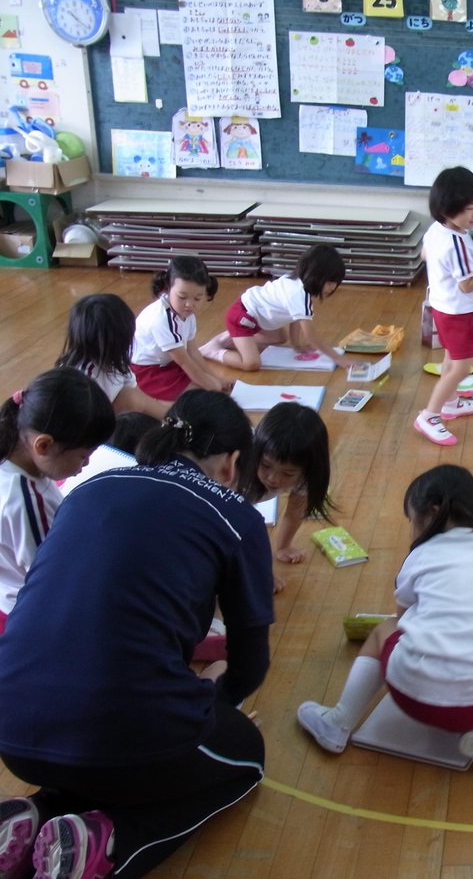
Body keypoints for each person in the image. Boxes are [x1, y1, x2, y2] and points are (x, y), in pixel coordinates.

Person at [0, 390, 274, 878]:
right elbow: (251, 663)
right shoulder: (237, 518)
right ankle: (113, 844)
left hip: (13, 731)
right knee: (245, 759)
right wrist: (215, 702)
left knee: (101, 748)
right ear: (231, 462)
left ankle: (36, 814)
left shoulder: (86, 489)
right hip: (121, 733)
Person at [296, 465, 473, 772]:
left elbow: (402, 618)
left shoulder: (422, 554)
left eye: (411, 520)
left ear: (432, 513)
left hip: (418, 700)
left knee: (383, 631)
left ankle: (337, 723)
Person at [0, 368, 113, 635]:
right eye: (83, 456)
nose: (85, 465)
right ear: (44, 445)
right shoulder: (26, 501)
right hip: (26, 614)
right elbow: (51, 579)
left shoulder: (16, 457)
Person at [413, 167, 473, 446]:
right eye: (469, 209)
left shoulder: (436, 231)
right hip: (459, 312)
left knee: (451, 358)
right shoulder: (457, 244)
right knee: (461, 365)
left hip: (443, 307)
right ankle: (429, 415)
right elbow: (468, 285)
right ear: (447, 210)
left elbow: (423, 254)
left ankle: (451, 401)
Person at [199, 244, 353, 371]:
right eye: (330, 283)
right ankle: (212, 351)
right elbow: (311, 338)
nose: (332, 288)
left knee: (279, 338)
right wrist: (338, 358)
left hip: (253, 316)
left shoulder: (296, 283)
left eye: (335, 284)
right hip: (242, 317)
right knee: (252, 364)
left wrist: (296, 344)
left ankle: (231, 337)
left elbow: (295, 318)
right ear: (316, 276)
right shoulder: (299, 295)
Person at [238, 402, 333, 592]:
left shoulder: (306, 474)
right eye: (265, 465)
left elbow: (295, 510)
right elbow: (239, 531)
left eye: (288, 474)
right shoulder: (237, 468)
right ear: (257, 453)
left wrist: (282, 546)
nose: (273, 479)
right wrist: (261, 571)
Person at [55, 293, 171, 419]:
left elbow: (138, 393)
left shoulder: (115, 359)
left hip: (113, 419)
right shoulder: (83, 378)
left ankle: (175, 423)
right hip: (91, 431)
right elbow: (80, 425)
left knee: (153, 403)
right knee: (131, 399)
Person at [130, 256, 226, 400]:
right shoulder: (162, 319)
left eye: (197, 298)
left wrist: (214, 378)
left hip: (168, 363)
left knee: (207, 385)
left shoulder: (186, 313)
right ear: (168, 288)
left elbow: (192, 351)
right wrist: (212, 386)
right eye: (182, 297)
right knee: (198, 395)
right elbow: (184, 361)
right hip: (146, 371)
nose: (189, 304)